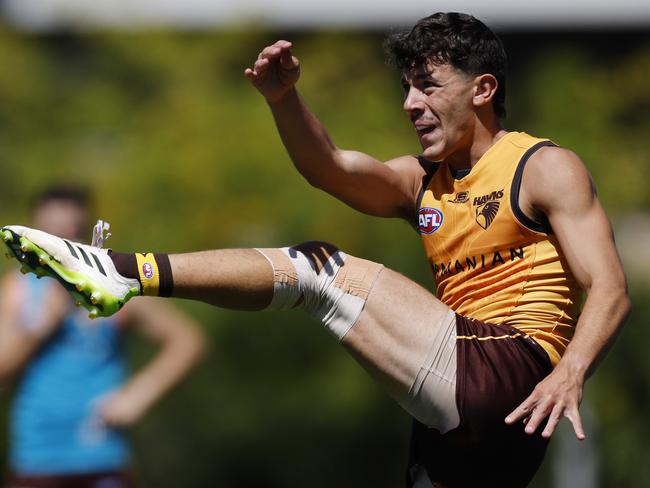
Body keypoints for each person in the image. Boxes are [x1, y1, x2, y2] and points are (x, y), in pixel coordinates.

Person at [1, 12, 630, 487]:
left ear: (484, 89)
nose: (411, 103)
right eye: (407, 88)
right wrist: (284, 99)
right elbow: (329, 168)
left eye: (429, 86)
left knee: (317, 270)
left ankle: (120, 271)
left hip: (511, 374)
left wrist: (571, 371)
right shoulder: (422, 181)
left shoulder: (544, 166)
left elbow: (610, 288)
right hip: (468, 413)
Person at [0, 185, 206, 488]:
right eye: (48, 236)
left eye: (68, 236)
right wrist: (42, 326)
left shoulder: (114, 286)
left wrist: (139, 394)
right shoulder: (17, 290)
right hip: (36, 455)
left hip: (101, 453)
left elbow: (187, 340)